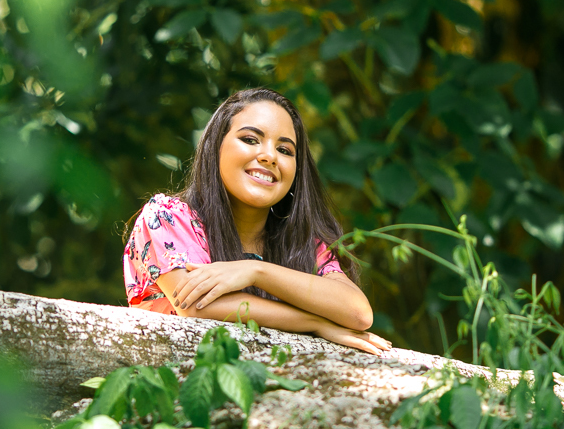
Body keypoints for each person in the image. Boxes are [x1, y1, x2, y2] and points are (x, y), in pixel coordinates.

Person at [122, 88, 392, 356]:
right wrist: (315, 322)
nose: (269, 156)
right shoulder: (168, 218)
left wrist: (255, 271)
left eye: (285, 149)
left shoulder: (303, 245)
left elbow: (358, 314)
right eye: (251, 140)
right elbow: (194, 306)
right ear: (215, 146)